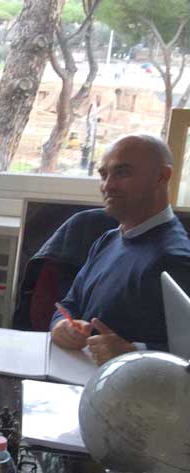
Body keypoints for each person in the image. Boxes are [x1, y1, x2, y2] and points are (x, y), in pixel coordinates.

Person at [51, 134, 190, 365]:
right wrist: (61, 325)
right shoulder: (108, 239)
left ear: (162, 177)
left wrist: (133, 352)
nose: (107, 186)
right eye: (103, 175)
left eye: (122, 172)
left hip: (129, 385)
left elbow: (186, 354)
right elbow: (70, 304)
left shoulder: (176, 259)